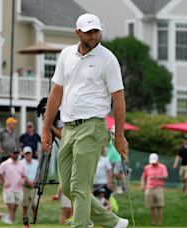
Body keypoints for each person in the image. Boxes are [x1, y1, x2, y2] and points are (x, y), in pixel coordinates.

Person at [41, 13, 129, 228]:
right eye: (89, 31)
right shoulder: (65, 55)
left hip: (93, 126)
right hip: (68, 127)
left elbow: (118, 100)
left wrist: (119, 136)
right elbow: (56, 93)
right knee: (68, 187)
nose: (94, 35)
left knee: (80, 186)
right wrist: (46, 128)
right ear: (77, 32)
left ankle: (80, 225)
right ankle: (113, 223)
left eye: (96, 31)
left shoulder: (108, 59)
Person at [0, 147, 25, 224]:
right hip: (9, 189)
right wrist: (2, 183)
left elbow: (24, 175)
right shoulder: (5, 164)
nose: (16, 155)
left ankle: (10, 219)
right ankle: (10, 221)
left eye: (17, 153)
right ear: (11, 154)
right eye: (14, 153)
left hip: (18, 189)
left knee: (15, 207)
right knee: (11, 206)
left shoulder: (21, 164)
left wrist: (23, 180)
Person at [0, 117, 20, 181]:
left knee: (11, 168)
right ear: (9, 124)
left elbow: (16, 142)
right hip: (4, 154)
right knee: (1, 168)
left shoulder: (13, 133)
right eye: (13, 123)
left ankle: (10, 179)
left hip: (12, 154)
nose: (14, 125)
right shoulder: (2, 131)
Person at [140, 153, 168, 226]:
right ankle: (153, 222)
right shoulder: (147, 167)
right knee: (151, 206)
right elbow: (143, 177)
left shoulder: (162, 167)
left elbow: (165, 176)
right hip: (149, 188)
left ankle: (159, 222)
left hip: (159, 188)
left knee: (159, 206)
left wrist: (156, 177)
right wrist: (142, 185)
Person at [20, 146, 39, 220]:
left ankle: (35, 222)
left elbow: (39, 174)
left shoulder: (36, 163)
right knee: (25, 206)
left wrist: (35, 182)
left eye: (29, 153)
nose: (28, 155)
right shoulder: (21, 163)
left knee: (35, 206)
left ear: (31, 154)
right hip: (25, 186)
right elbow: (21, 175)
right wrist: (28, 182)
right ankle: (25, 224)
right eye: (26, 154)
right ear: (24, 154)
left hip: (34, 186)